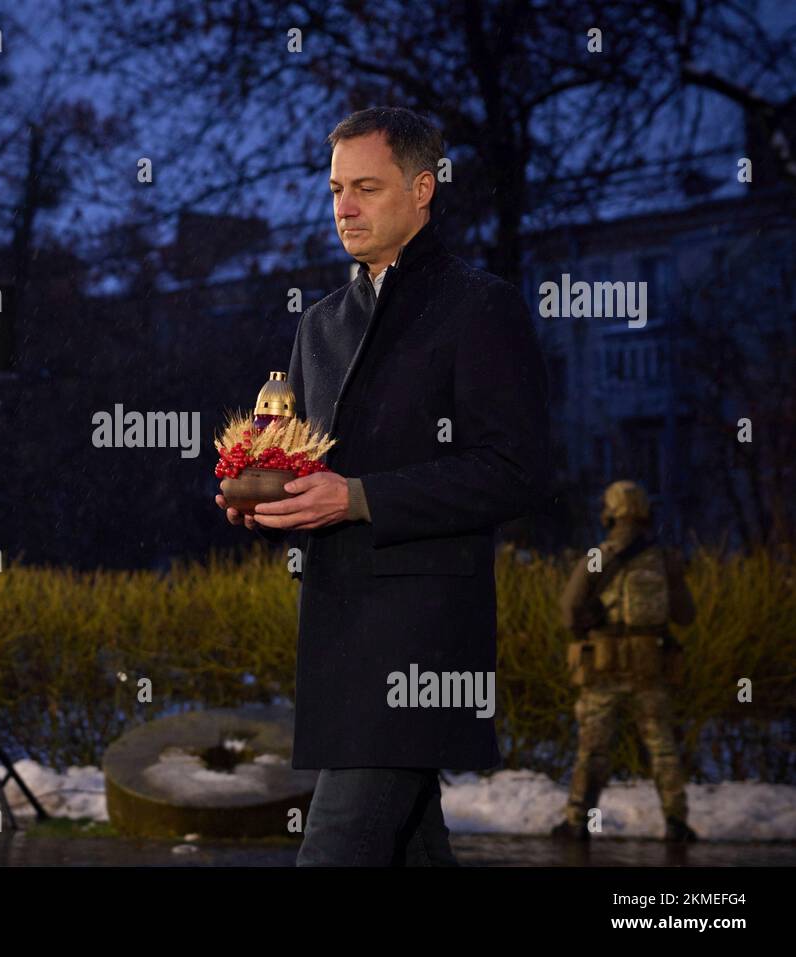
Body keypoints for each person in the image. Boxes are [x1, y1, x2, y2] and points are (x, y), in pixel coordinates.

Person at [215, 106, 550, 865]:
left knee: (336, 848)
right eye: (336, 187)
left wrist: (358, 496)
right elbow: (306, 471)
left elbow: (519, 470)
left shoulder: (480, 305)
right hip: (336, 635)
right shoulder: (320, 325)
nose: (344, 206)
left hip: (424, 640)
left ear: (423, 188)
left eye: (366, 186)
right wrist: (263, 499)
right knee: (408, 846)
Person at [552, 479, 698, 843]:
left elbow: (568, 612)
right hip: (650, 668)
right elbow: (685, 616)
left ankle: (576, 821)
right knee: (662, 746)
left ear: (609, 512)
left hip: (603, 667)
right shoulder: (665, 560)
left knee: (593, 749)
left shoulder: (599, 557)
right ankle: (676, 822)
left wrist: (594, 623)